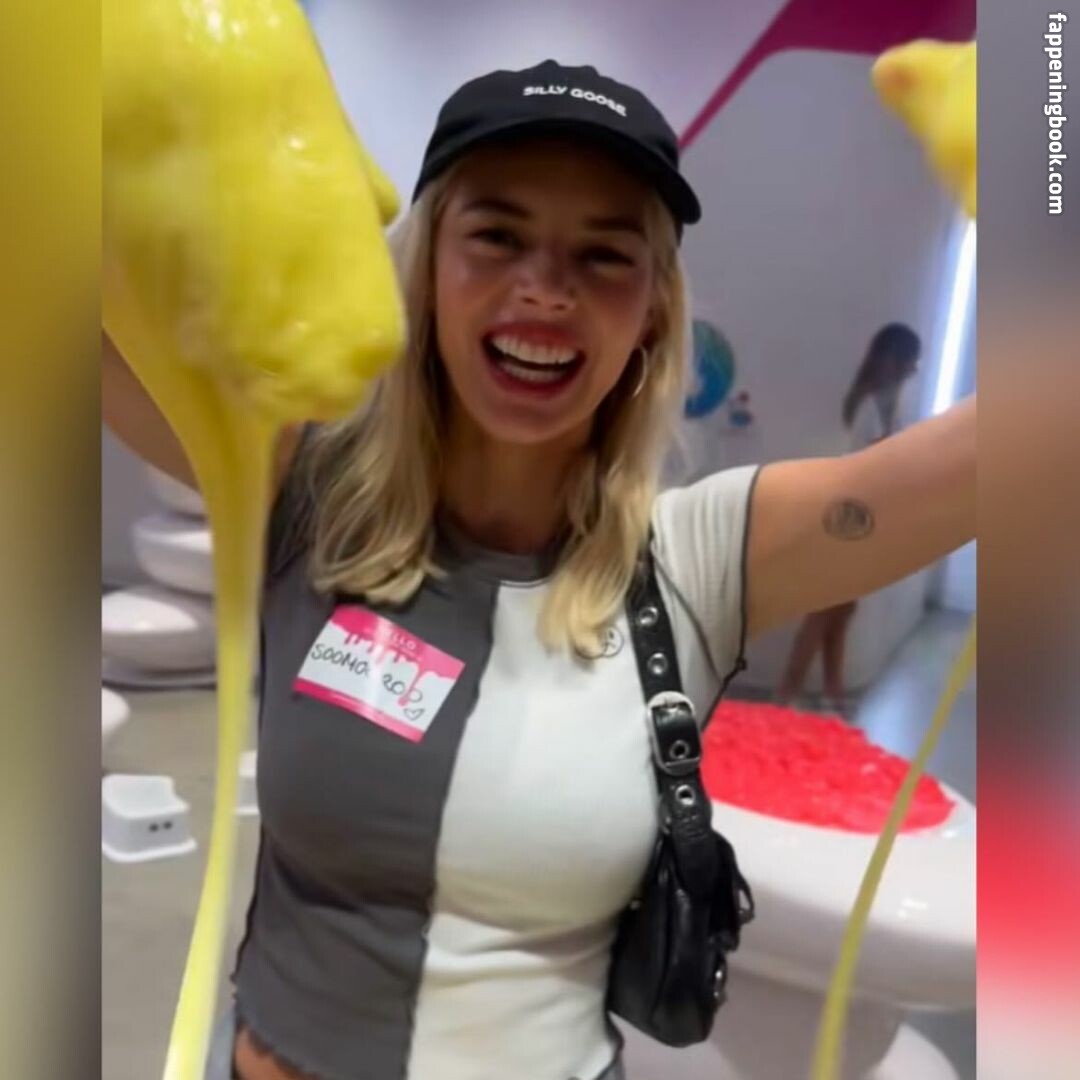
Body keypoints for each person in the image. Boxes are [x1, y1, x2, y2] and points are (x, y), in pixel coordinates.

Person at [103, 60, 974, 1080]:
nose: (546, 291)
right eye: (498, 235)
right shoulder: (305, 487)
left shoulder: (696, 560)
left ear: (654, 309)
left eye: (604, 255)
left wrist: (1042, 148)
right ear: (426, 264)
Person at [776, 324, 923, 714]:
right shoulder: (868, 403)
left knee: (842, 612)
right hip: (848, 517)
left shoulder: (889, 403)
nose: (914, 369)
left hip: (866, 517)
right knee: (825, 609)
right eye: (911, 360)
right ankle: (787, 693)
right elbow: (867, 462)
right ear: (894, 359)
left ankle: (831, 692)